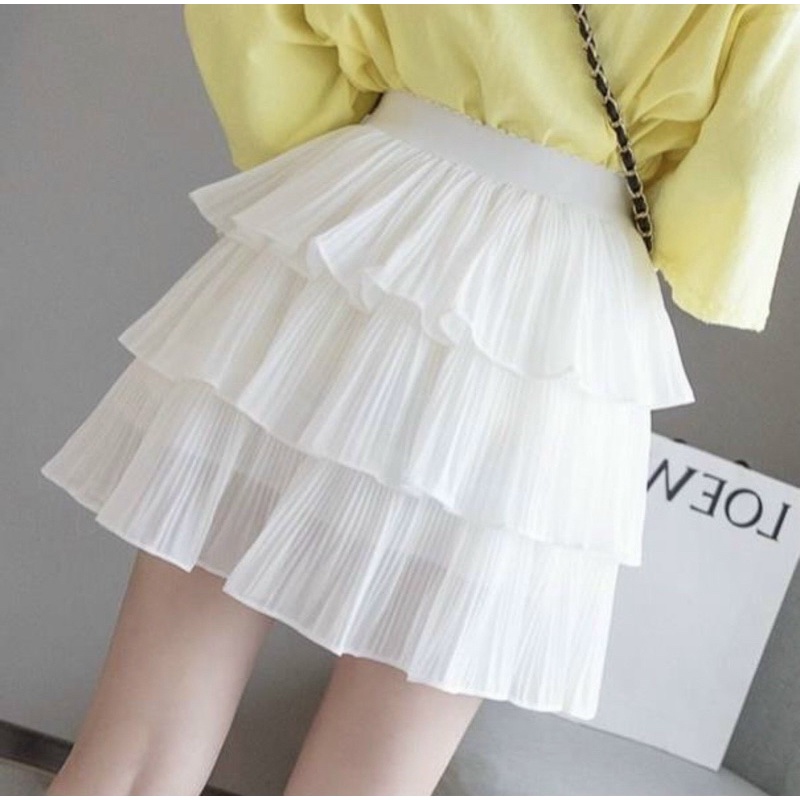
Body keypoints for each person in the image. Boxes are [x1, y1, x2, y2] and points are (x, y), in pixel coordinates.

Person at [40, 5, 800, 796]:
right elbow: (752, 159)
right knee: (373, 778)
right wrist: (695, 247)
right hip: (556, 303)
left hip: (367, 216)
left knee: (135, 752)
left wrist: (321, 129)